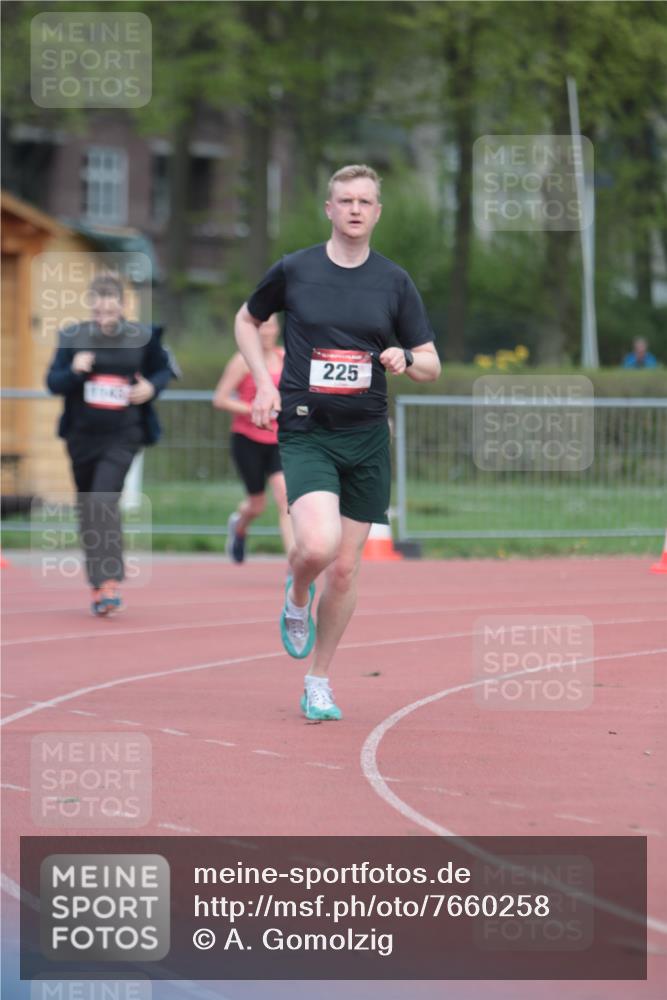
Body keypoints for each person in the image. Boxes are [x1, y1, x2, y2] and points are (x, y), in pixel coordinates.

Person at [234, 164, 441, 721]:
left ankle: (318, 679)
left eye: (365, 201)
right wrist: (264, 382)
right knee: (318, 547)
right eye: (345, 199)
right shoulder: (295, 270)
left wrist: (406, 358)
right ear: (329, 208)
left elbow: (431, 364)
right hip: (307, 431)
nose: (354, 209)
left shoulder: (394, 282)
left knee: (346, 569)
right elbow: (247, 320)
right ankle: (297, 590)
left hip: (368, 438)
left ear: (377, 212)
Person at [46, 274, 176, 616]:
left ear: (122, 306)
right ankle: (97, 583)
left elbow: (165, 370)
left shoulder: (142, 338)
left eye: (110, 311)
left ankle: (110, 581)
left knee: (103, 499)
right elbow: (52, 383)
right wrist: (74, 370)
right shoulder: (73, 337)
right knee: (89, 508)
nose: (104, 318)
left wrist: (151, 387)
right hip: (81, 436)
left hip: (124, 434)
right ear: (91, 307)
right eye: (98, 311)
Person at [213, 314, 293, 561]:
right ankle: (239, 526)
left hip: (279, 440)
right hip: (247, 439)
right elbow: (220, 399)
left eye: (272, 327)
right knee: (257, 504)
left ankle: (294, 564)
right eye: (263, 327)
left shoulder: (285, 358)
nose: (267, 332)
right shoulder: (242, 361)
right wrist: (255, 408)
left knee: (285, 498)